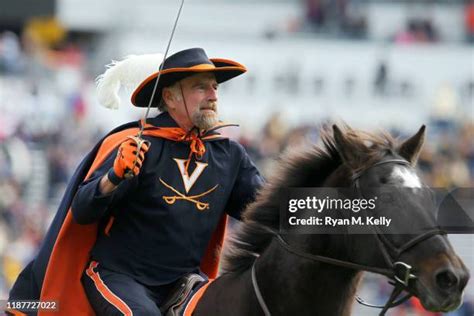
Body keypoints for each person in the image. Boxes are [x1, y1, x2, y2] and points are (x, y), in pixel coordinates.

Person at [8, 48, 264, 315]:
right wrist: (114, 177)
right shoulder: (136, 143)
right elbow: (82, 210)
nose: (213, 96)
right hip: (118, 277)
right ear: (170, 97)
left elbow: (273, 208)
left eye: (214, 87)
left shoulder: (229, 153)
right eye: (201, 88)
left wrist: (312, 207)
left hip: (184, 283)